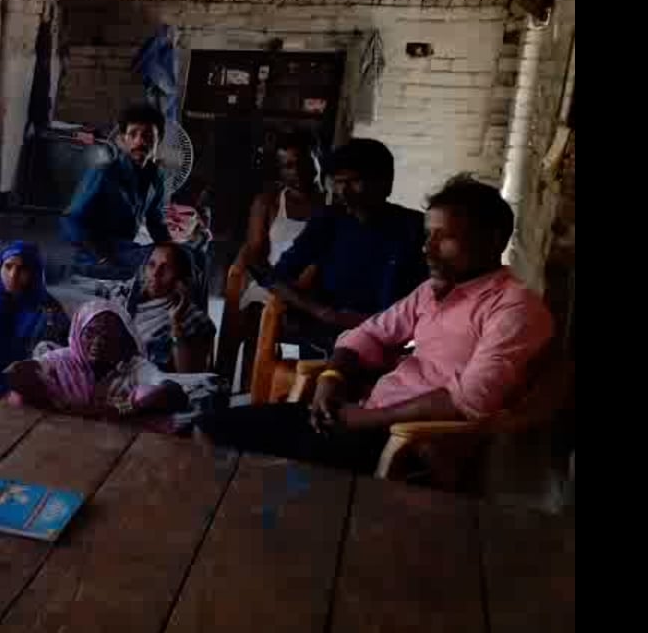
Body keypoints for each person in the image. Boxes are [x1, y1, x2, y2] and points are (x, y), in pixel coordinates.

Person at [197, 176, 553, 476]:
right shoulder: (435, 290)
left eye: (444, 238)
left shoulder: (514, 308)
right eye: (428, 235)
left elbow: (469, 400)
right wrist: (331, 378)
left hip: (405, 442)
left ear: (492, 241)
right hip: (362, 417)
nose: (427, 249)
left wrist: (366, 419)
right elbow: (368, 333)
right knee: (208, 432)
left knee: (249, 467)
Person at [254, 137, 427, 357]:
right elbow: (278, 276)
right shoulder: (328, 221)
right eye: (338, 182)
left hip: (391, 341)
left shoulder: (415, 228)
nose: (343, 191)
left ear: (386, 183)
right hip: (327, 337)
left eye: (354, 181)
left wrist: (371, 323)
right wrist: (322, 312)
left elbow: (429, 296)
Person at [221, 129, 327, 381]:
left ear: (318, 159)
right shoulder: (268, 202)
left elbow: (325, 258)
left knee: (312, 321)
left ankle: (293, 385)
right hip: (270, 282)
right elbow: (254, 250)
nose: (296, 171)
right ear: (280, 170)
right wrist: (275, 283)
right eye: (288, 166)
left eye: (303, 162)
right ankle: (243, 384)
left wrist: (299, 290)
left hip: (313, 289)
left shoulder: (331, 205)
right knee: (255, 316)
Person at [6, 300, 198, 428]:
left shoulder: (133, 366)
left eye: (109, 335)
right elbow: (18, 373)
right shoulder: (60, 361)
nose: (98, 342)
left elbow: (171, 391)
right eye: (90, 333)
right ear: (77, 332)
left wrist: (127, 406)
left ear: (123, 339)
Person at [61, 102, 174, 280]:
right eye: (133, 134)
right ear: (122, 140)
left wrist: (172, 249)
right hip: (96, 254)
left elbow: (155, 221)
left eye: (148, 135)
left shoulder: (156, 177)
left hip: (125, 249)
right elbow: (71, 220)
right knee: (158, 268)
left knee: (184, 259)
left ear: (157, 141)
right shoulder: (104, 173)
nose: (140, 141)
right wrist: (102, 256)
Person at [0, 241, 70, 393]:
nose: (13, 275)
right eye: (8, 267)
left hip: (30, 386)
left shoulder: (48, 309)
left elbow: (58, 357)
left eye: (22, 269)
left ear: (34, 272)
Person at [126, 242, 216, 374]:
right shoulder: (127, 306)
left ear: (180, 279)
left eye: (166, 268)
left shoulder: (194, 319)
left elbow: (187, 373)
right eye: (151, 265)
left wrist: (176, 322)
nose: (156, 273)